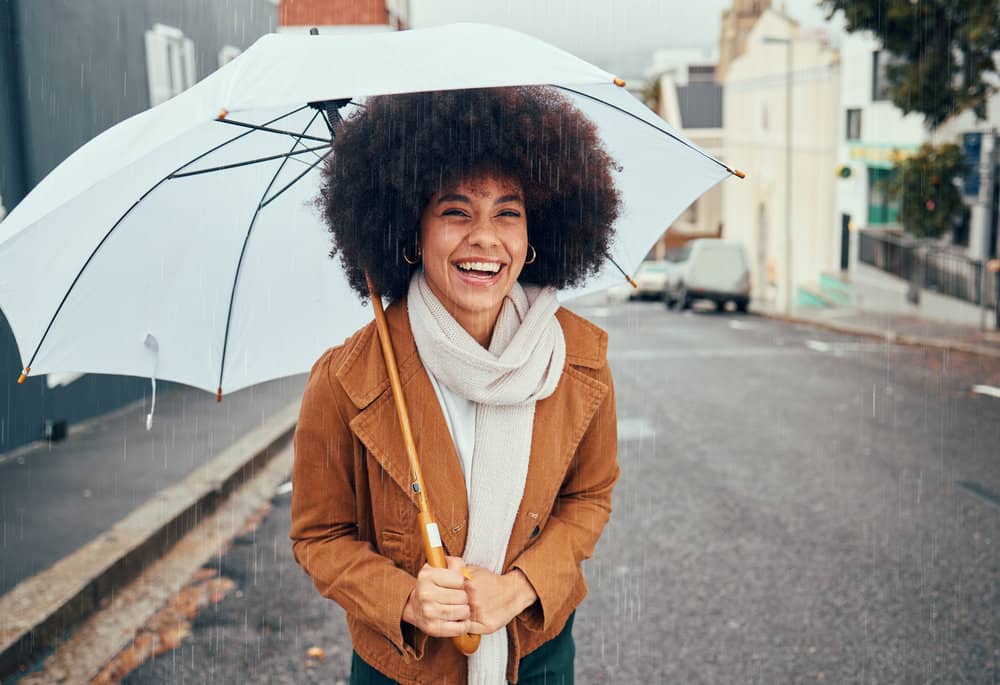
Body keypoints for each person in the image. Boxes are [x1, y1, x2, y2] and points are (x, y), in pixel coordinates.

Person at [290, 86, 621, 685]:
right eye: (456, 211)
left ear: (535, 231)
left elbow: (588, 499)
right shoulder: (347, 378)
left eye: (507, 212)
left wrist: (521, 587)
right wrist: (403, 598)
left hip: (537, 658)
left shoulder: (580, 361)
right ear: (411, 232)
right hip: (401, 666)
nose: (485, 238)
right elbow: (320, 535)